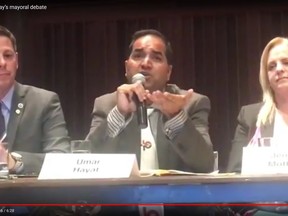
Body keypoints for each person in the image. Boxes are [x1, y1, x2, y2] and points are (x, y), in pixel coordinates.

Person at [86, 29, 214, 173]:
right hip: (122, 194)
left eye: (156, 58)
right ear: (127, 67)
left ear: (168, 72)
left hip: (174, 194)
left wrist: (176, 116)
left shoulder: (191, 103)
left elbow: (205, 164)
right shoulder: (106, 104)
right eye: (138, 56)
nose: (145, 63)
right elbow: (87, 161)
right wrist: (120, 113)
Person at [227, 37, 288, 216]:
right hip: (263, 211)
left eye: (286, 62)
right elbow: (234, 175)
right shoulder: (250, 116)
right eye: (271, 66)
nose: (278, 69)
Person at [0, 25, 70, 176]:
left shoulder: (44, 102)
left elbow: (61, 159)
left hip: (26, 197)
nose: (2, 63)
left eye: (7, 55)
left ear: (16, 60)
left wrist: (13, 161)